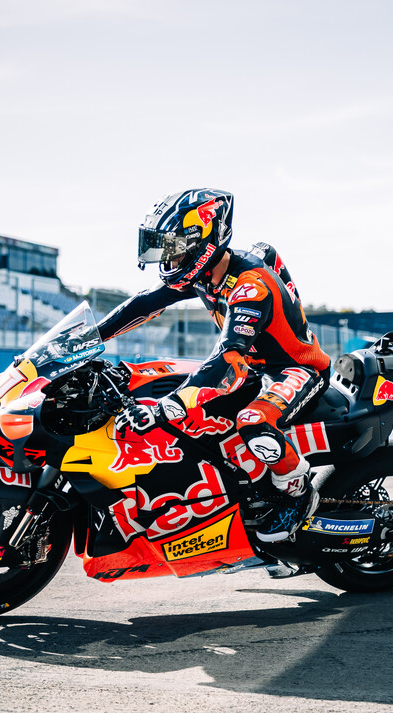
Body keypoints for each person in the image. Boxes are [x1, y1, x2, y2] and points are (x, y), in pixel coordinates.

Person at [97, 188, 330, 543]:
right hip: (254, 367)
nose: (168, 257)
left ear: (203, 240)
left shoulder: (250, 287)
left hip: (296, 367)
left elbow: (228, 357)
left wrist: (169, 406)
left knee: (252, 421)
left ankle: (298, 493)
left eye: (173, 247)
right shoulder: (206, 273)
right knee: (196, 420)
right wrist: (93, 336)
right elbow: (145, 304)